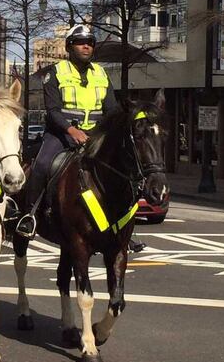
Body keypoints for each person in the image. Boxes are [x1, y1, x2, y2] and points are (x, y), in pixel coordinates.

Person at [15, 25, 144, 251]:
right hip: (62, 134)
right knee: (42, 165)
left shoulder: (101, 74)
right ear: (69, 46)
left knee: (123, 166)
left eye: (91, 43)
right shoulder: (55, 73)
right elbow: (53, 110)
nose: (87, 46)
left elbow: (111, 109)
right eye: (81, 42)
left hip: (95, 135)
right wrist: (71, 131)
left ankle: (122, 228)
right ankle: (29, 216)